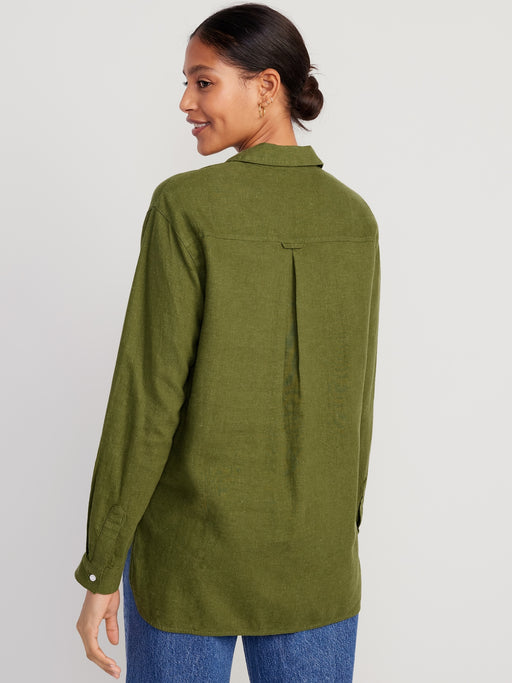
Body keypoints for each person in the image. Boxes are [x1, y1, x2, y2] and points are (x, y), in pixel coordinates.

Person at [75, 3, 381, 682]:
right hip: (317, 560)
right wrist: (339, 531)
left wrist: (102, 562)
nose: (186, 102)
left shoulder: (184, 206)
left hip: (189, 559)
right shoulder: (354, 218)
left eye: (203, 81)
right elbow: (355, 403)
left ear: (267, 86)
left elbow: (148, 396)